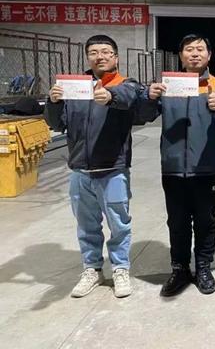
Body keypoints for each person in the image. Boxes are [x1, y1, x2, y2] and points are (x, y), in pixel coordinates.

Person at [44, 34, 150, 298]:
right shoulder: (75, 88)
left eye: (105, 52)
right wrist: (54, 102)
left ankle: (120, 268)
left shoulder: (125, 84)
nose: (99, 57)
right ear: (88, 57)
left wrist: (109, 96)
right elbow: (57, 124)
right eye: (93, 52)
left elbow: (130, 97)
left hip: (112, 169)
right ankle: (92, 269)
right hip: (80, 170)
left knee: (119, 224)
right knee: (86, 225)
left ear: (116, 57)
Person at [145, 34, 215, 297]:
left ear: (209, 55)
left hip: (205, 167)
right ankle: (180, 269)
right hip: (172, 167)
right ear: (181, 56)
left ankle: (203, 267)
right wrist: (149, 97)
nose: (195, 54)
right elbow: (144, 114)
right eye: (189, 49)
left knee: (206, 221)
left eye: (200, 49)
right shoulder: (168, 84)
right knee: (177, 222)